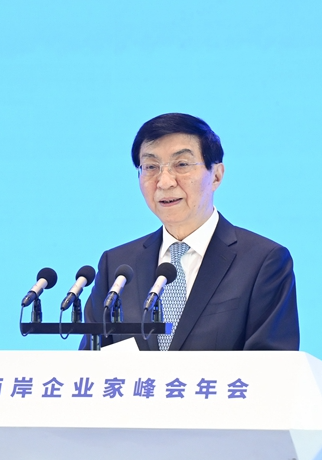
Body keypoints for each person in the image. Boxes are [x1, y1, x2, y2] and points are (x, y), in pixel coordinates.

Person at [81, 113, 299, 351]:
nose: (165, 182)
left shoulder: (263, 261)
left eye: (182, 165)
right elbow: (91, 365)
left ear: (216, 175)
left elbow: (272, 366)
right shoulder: (117, 266)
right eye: (151, 167)